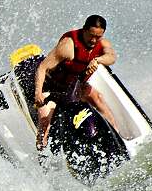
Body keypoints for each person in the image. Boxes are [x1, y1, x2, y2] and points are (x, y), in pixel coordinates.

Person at [33, 15, 118, 150]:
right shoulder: (68, 46)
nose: (94, 40)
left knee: (98, 97)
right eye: (91, 35)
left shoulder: (101, 44)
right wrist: (38, 93)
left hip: (73, 87)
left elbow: (112, 57)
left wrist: (97, 60)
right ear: (84, 30)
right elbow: (42, 67)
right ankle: (41, 152)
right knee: (45, 119)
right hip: (51, 87)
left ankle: (116, 140)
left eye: (98, 37)